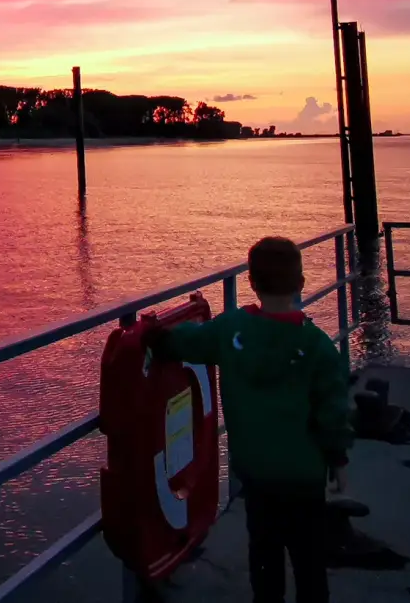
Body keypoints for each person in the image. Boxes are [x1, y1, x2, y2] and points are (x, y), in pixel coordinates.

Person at [146, 236, 352, 603]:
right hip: (304, 475)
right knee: (309, 560)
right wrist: (338, 460)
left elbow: (186, 341)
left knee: (264, 552)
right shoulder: (319, 346)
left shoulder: (231, 330)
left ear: (252, 283)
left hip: (256, 472)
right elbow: (332, 411)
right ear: (301, 284)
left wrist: (155, 337)